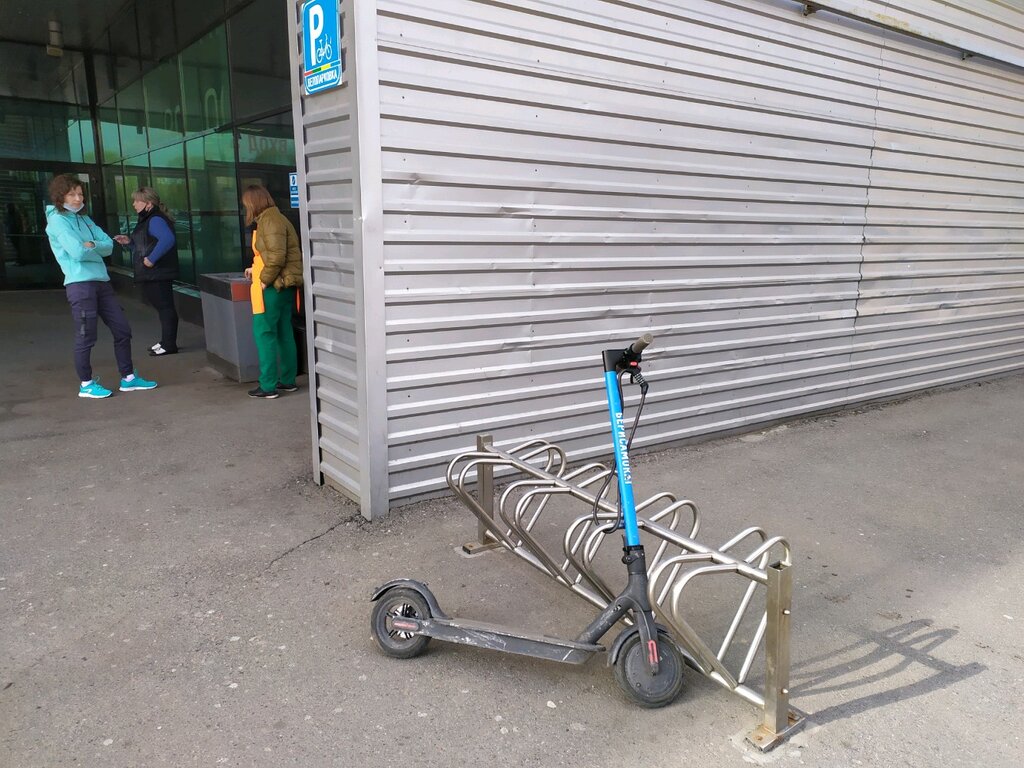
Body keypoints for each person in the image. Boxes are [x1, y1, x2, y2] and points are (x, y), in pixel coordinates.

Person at [44, 174, 158, 399]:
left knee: (122, 330)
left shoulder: (85, 219)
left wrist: (91, 245)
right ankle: (86, 385)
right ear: (60, 196)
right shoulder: (57, 221)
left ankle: (129, 378)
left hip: (101, 282)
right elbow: (76, 253)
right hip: (80, 285)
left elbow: (108, 246)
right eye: (72, 194)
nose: (78, 198)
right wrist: (89, 248)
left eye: (80, 194)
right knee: (86, 336)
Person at [241, 185, 303, 399]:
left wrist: (264, 280)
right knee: (284, 333)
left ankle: (267, 386)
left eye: (246, 204)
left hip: (273, 287)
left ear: (253, 203)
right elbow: (272, 254)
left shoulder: (268, 221)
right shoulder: (278, 218)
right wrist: (255, 267)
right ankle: (287, 381)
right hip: (286, 286)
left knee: (264, 333)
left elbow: (276, 257)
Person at [113, 187, 180, 356]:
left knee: (165, 308)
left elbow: (167, 239)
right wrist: (128, 242)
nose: (134, 204)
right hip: (153, 273)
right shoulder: (148, 219)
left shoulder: (155, 219)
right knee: (163, 307)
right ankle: (166, 341)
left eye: (137, 200)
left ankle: (169, 344)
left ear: (148, 203)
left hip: (158, 272)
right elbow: (145, 244)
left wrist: (151, 259)